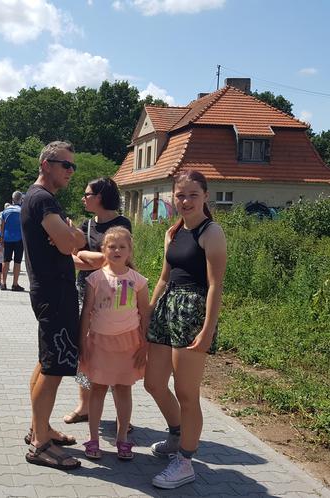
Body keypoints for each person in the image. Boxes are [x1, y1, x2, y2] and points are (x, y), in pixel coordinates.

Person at [145, 170, 227, 489]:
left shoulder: (212, 232)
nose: (186, 201)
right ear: (173, 197)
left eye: (193, 194)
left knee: (187, 393)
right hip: (167, 310)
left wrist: (207, 329)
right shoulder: (172, 232)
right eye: (180, 195)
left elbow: (215, 285)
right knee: (153, 383)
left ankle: (186, 461)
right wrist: (149, 312)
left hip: (193, 313)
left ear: (205, 195)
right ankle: (177, 435)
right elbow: (165, 278)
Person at [21, 141, 86, 470]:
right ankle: (40, 445)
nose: (71, 171)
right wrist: (74, 235)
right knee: (54, 368)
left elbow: (69, 242)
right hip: (54, 293)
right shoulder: (43, 199)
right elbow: (68, 244)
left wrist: (71, 235)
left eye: (72, 166)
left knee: (47, 361)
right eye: (66, 165)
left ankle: (40, 427)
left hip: (49, 291)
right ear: (47, 164)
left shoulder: (38, 198)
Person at [65, 178, 133, 426]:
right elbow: (74, 258)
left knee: (114, 353)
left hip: (114, 299)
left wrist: (88, 256)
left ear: (101, 196)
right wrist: (92, 257)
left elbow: (117, 260)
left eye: (87, 194)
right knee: (84, 353)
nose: (84, 198)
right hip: (85, 293)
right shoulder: (87, 224)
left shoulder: (121, 224)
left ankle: (121, 415)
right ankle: (83, 406)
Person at [78, 227, 149, 461]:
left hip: (129, 343)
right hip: (98, 341)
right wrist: (82, 343)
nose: (116, 250)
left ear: (130, 251)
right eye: (112, 246)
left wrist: (145, 345)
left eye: (122, 247)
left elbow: (145, 314)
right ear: (103, 250)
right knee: (96, 388)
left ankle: (122, 439)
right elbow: (86, 311)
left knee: (123, 389)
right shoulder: (95, 278)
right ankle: (93, 439)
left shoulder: (138, 280)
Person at [0, 191, 25, 291]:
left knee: (6, 261)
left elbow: (2, 224)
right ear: (21, 199)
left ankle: (3, 283)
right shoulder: (22, 210)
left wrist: (1, 237)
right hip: (19, 239)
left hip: (7, 238)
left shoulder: (5, 211)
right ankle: (15, 284)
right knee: (17, 262)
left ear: (12, 199)